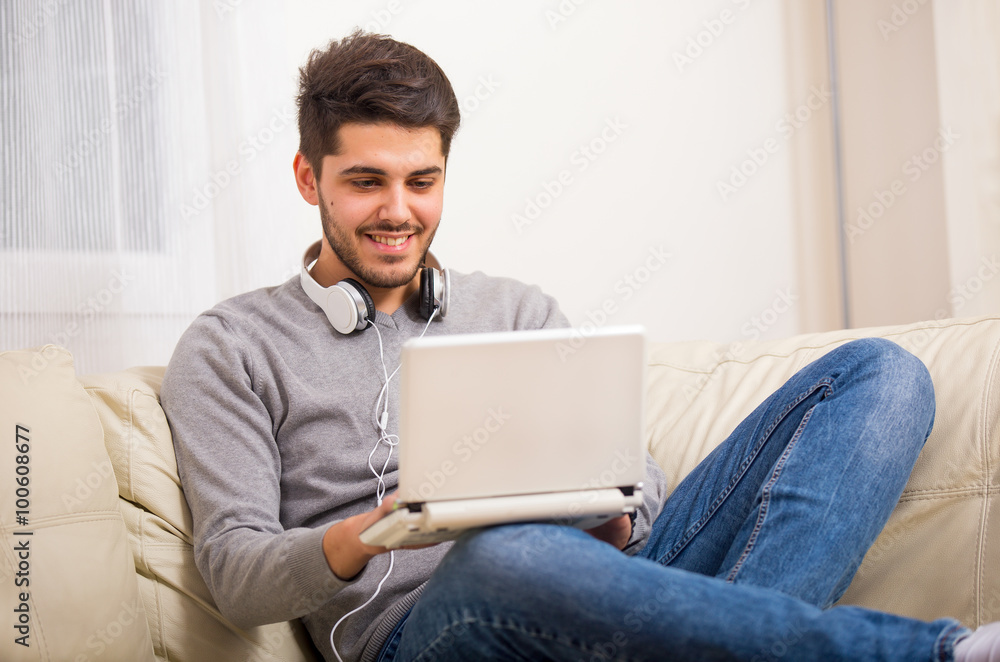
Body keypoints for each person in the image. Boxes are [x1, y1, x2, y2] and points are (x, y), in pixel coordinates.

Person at [160, 30, 1000, 662]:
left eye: (422, 181)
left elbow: (643, 479)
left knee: (881, 375)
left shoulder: (518, 309)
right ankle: (937, 655)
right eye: (365, 182)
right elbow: (235, 574)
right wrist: (377, 533)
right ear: (309, 179)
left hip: (608, 586)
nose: (398, 211)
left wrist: (615, 513)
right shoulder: (231, 348)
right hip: (424, 633)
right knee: (505, 550)